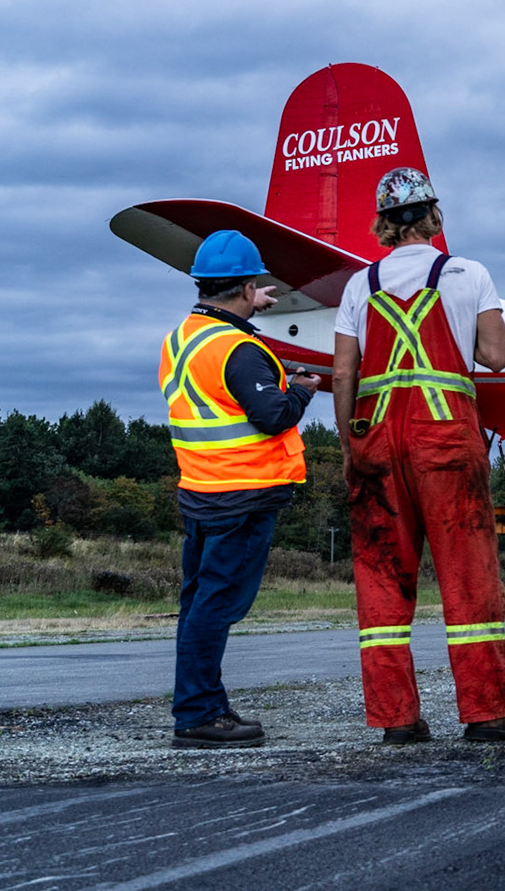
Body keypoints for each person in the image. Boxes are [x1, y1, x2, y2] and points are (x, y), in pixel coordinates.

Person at [333, 167, 505, 744]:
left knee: (381, 576)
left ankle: (396, 719)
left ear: (383, 223)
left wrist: (351, 445)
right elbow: (495, 356)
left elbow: (344, 374)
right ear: (433, 217)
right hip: (446, 435)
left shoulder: (359, 286)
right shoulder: (468, 274)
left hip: (376, 442)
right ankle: (487, 710)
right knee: (468, 574)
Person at [161, 230, 318, 749]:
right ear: (247, 287)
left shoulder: (184, 337)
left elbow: (219, 385)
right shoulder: (240, 350)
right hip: (243, 495)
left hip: (202, 490)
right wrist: (301, 391)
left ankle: (200, 703)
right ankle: (199, 713)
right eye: (254, 289)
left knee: (199, 603)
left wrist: (249, 304)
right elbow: (273, 415)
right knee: (218, 605)